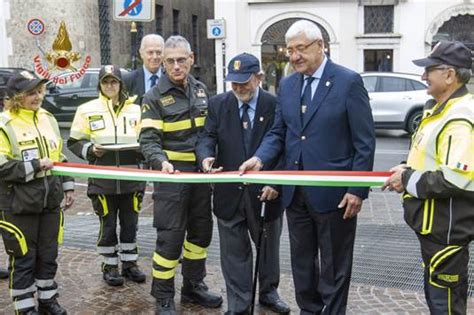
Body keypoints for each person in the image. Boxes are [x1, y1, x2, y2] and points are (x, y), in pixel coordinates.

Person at [239, 20, 376, 314]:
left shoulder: (348, 82)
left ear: (320, 46)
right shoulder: (288, 84)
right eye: (289, 50)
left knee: (334, 264)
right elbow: (280, 133)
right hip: (295, 194)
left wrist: (357, 190)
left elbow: (364, 141)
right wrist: (260, 159)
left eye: (300, 48)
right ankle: (309, 310)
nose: (294, 56)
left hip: (334, 194)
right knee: (302, 263)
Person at [382, 41, 473, 315]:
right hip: (434, 227)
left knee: (445, 305)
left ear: (449, 75)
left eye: (429, 70)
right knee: (437, 299)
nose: (423, 76)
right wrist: (403, 168)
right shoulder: (439, 109)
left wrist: (406, 179)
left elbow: (455, 178)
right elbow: (426, 157)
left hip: (445, 229)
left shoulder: (460, 117)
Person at [196, 53, 290, 315]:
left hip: (265, 193)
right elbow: (206, 136)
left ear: (258, 78)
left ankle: (268, 292)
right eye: (233, 83)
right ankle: (239, 304)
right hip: (229, 194)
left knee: (268, 249)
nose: (238, 88)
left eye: (244, 82)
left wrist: (277, 182)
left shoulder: (274, 104)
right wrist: (206, 158)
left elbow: (285, 144)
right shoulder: (218, 104)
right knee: (234, 253)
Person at [140, 35, 223, 315]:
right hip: (171, 178)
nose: (176, 66)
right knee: (170, 238)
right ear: (163, 63)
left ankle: (193, 285)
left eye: (181, 60)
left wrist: (209, 158)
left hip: (200, 176)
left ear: (191, 59)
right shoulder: (153, 97)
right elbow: (148, 140)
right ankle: (163, 295)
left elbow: (207, 134)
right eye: (170, 61)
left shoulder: (201, 90)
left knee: (200, 234)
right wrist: (159, 161)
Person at [0, 70, 74, 315]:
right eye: (31, 92)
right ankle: (25, 306)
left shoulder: (48, 118)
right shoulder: (5, 124)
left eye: (39, 91)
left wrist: (68, 186)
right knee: (23, 257)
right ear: (16, 96)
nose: (37, 96)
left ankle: (47, 300)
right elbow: (1, 167)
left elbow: (59, 157)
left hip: (50, 200)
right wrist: (35, 165)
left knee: (48, 254)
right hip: (18, 204)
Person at [68, 65, 146, 286]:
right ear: (100, 85)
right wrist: (91, 150)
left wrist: (141, 149)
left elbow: (147, 139)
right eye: (105, 82)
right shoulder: (86, 109)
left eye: (114, 82)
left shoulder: (136, 110)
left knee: (131, 224)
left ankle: (130, 264)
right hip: (102, 180)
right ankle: (110, 266)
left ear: (121, 84)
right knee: (108, 224)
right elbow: (74, 142)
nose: (110, 86)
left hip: (132, 178)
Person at [124, 34, 165, 104]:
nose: (155, 57)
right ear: (141, 53)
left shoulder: (170, 78)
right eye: (150, 52)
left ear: (164, 54)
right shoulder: (128, 80)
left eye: (158, 52)